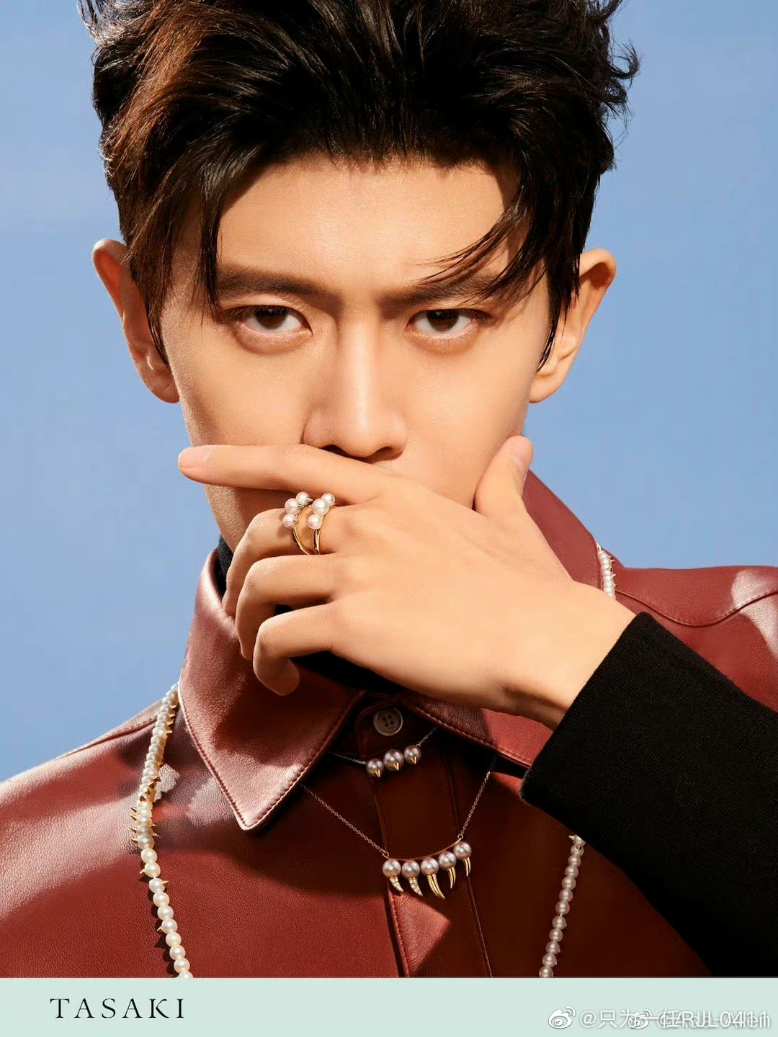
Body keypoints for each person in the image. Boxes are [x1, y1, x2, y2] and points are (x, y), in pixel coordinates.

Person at [0, 0, 775, 981]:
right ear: (143, 325)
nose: (358, 426)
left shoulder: (765, 662)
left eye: (444, 318)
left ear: (565, 324)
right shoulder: (19, 888)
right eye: (271, 316)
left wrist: (577, 667)